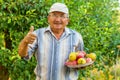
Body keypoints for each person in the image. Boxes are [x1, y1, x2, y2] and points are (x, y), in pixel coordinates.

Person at [18, 2, 84, 80]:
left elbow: (80, 60)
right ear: (48, 18)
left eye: (62, 16)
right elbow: (23, 55)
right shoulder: (37, 35)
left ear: (67, 20)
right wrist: (25, 42)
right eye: (54, 15)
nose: (58, 19)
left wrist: (83, 65)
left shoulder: (76, 37)